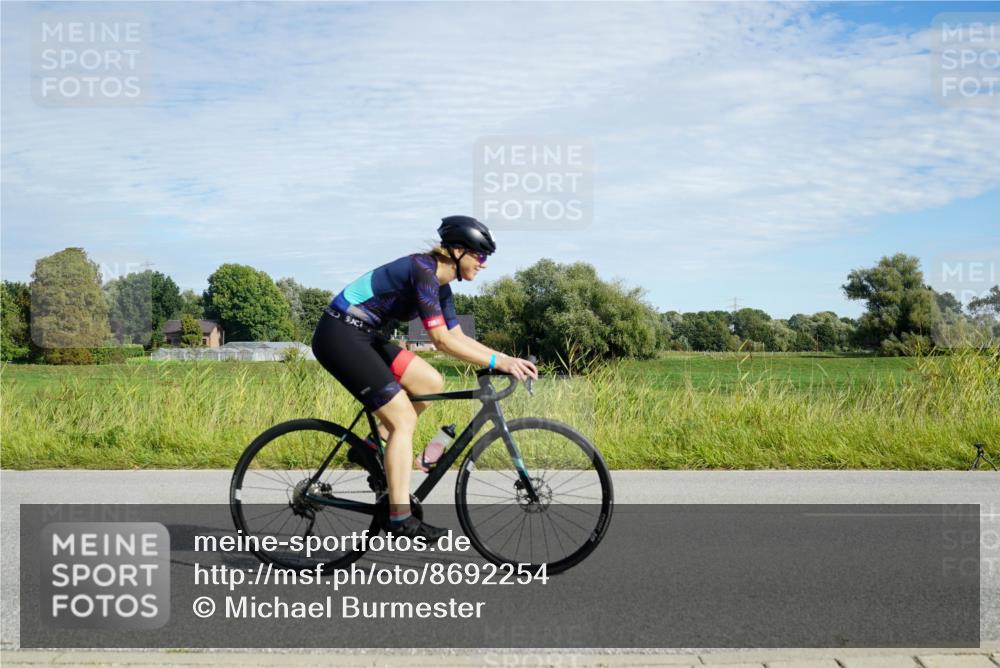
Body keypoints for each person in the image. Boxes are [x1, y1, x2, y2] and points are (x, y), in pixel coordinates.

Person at [311, 215, 538, 542]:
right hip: (339, 334)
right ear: (458, 251)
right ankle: (399, 517)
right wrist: (497, 362)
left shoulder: (442, 286)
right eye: (481, 256)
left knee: (429, 382)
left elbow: (458, 336)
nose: (484, 265)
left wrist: (505, 359)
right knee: (403, 419)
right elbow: (442, 342)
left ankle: (373, 446)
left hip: (363, 334)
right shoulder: (423, 271)